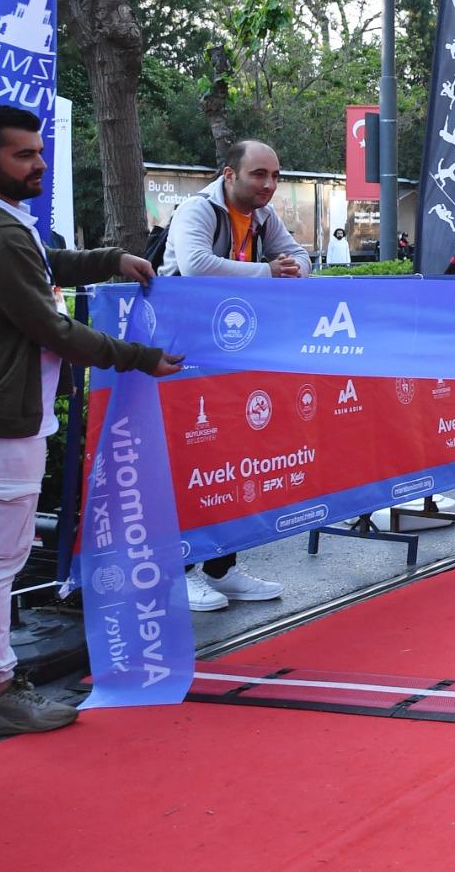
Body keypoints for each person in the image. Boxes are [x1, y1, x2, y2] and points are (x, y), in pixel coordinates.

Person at [0, 105, 184, 736]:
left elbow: (39, 264)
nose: (40, 164)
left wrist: (107, 260)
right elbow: (51, 325)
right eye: (25, 155)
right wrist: (140, 357)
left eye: (40, 152)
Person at [161, 139, 308, 611]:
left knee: (233, 459)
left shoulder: (265, 216)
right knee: (192, 463)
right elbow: (194, 265)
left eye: (274, 176)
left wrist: (291, 267)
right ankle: (178, 573)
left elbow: (299, 257)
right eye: (258, 175)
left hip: (233, 353)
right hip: (181, 356)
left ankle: (221, 570)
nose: (268, 184)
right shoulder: (197, 210)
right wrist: (269, 272)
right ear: (230, 173)